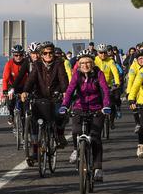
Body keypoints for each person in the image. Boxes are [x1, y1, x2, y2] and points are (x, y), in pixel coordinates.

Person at [59, 49, 111, 182]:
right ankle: (77, 150)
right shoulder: (77, 75)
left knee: (95, 137)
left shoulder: (99, 74)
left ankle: (98, 168)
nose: (85, 65)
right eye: (82, 63)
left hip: (97, 109)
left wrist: (106, 106)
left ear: (92, 63)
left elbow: (105, 90)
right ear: (79, 64)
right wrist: (65, 105)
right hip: (79, 107)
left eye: (88, 62)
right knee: (76, 131)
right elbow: (70, 90)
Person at [21, 41, 69, 165]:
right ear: (41, 54)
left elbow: (63, 79)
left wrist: (64, 92)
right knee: (35, 122)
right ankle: (36, 152)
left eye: (50, 52)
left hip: (55, 96)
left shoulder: (59, 63)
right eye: (45, 53)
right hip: (40, 97)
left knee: (60, 113)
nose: (48, 55)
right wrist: (25, 91)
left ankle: (59, 134)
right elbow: (31, 79)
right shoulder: (37, 65)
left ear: (54, 53)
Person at [94, 43, 122, 126]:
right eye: (101, 52)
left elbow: (115, 72)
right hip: (96, 84)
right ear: (97, 53)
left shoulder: (110, 61)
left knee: (113, 100)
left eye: (104, 52)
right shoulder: (94, 60)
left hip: (108, 84)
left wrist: (117, 83)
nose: (103, 54)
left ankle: (112, 120)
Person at [2, 45, 26, 125]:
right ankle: (11, 113)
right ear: (13, 55)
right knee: (10, 99)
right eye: (16, 55)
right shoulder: (9, 64)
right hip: (12, 86)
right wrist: (5, 91)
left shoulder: (26, 63)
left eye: (20, 55)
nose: (18, 57)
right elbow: (5, 79)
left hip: (23, 86)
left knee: (24, 104)